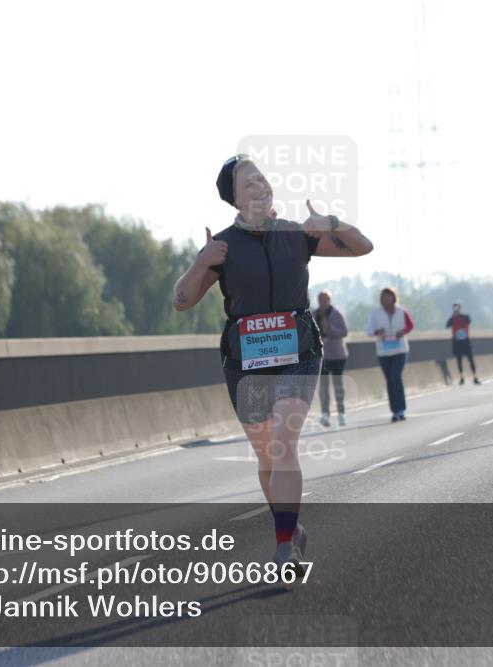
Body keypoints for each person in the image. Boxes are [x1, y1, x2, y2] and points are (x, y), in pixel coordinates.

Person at [172, 154, 373, 574]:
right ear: (234, 198)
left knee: (283, 445)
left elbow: (362, 247)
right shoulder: (223, 246)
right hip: (245, 363)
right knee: (267, 456)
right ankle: (291, 528)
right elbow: (182, 301)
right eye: (249, 184)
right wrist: (200, 261)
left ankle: (284, 548)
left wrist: (332, 222)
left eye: (262, 178)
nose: (260, 186)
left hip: (299, 352)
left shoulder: (297, 235)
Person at [367, 287, 414, 422]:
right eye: (384, 297)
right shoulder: (376, 313)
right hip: (384, 351)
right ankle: (394, 411)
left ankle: (401, 409)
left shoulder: (402, 311)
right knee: (390, 380)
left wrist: (402, 332)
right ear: (381, 299)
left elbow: (410, 325)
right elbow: (369, 330)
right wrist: (377, 332)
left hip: (400, 350)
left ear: (394, 297)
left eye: (389, 296)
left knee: (396, 377)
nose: (387, 299)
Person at [315, 290, 349, 428]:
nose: (323, 302)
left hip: (337, 355)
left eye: (325, 299)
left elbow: (344, 332)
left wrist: (331, 329)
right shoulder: (314, 314)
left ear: (330, 300)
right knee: (323, 386)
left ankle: (341, 414)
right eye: (321, 299)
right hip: (322, 356)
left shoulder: (336, 314)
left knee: (338, 385)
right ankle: (325, 414)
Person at [445, 303, 480, 385]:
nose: (456, 310)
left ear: (460, 308)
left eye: (457, 308)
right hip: (457, 342)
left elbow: (469, 321)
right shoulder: (452, 318)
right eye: (455, 308)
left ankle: (475, 377)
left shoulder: (465, 316)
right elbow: (447, 325)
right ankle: (461, 377)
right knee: (459, 360)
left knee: (470, 359)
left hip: (465, 341)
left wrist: (460, 315)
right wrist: (453, 316)